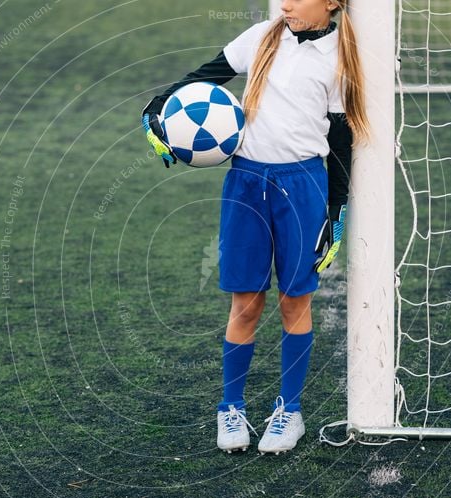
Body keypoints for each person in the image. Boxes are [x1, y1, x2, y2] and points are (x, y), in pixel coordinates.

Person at [141, 0, 368, 454]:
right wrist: (156, 110)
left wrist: (337, 213)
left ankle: (290, 412)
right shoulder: (262, 36)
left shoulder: (341, 55)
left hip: (302, 184)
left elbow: (342, 141)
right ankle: (231, 408)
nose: (285, 3)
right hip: (245, 182)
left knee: (293, 303)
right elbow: (202, 78)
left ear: (332, 3)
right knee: (245, 303)